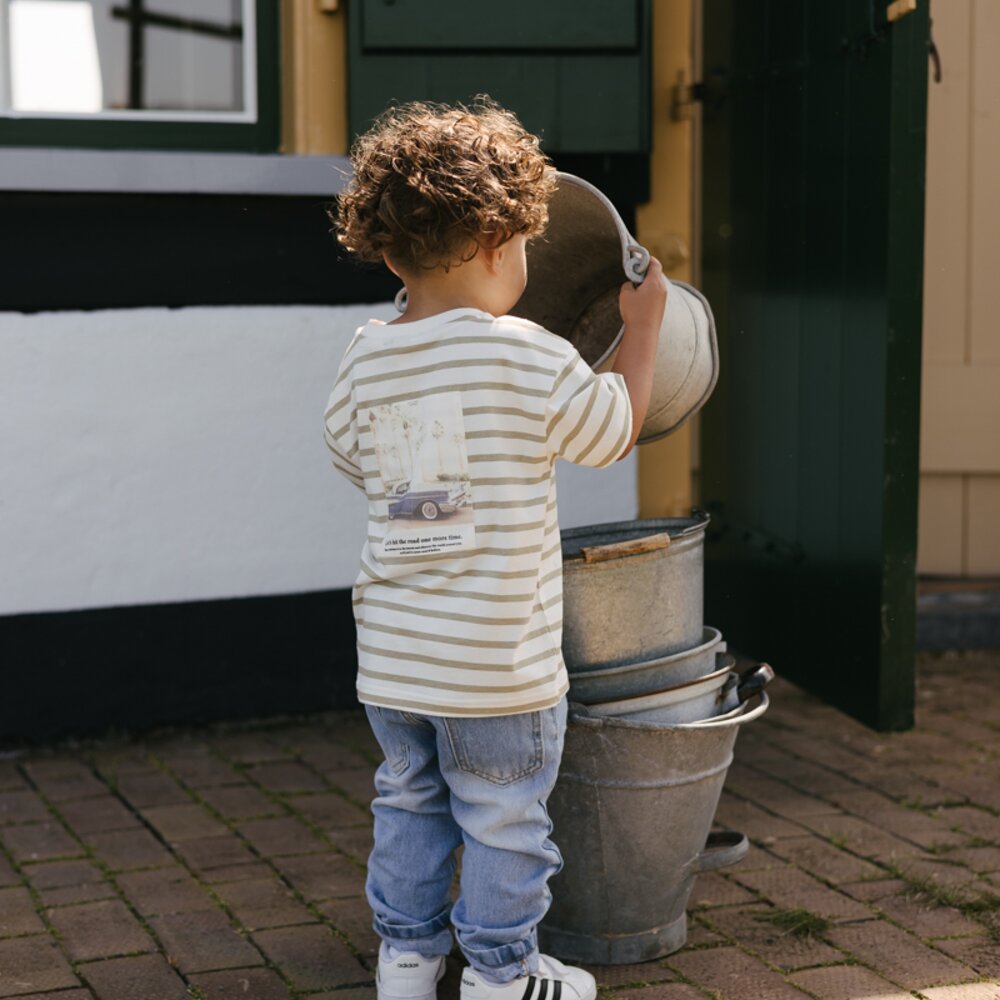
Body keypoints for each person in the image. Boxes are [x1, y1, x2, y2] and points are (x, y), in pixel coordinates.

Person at [324, 98, 666, 1000]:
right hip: (497, 669)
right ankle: (502, 975)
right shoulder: (528, 353)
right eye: (522, 246)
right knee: (505, 820)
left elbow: (347, 452)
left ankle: (406, 959)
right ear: (491, 243)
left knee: (409, 805)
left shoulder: (366, 354)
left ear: (391, 252)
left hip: (396, 662)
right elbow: (613, 430)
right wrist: (645, 325)